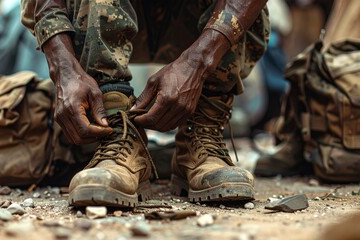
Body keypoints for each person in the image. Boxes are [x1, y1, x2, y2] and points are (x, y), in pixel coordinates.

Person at [21, 0, 269, 207]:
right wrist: (62, 67)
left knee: (247, 7)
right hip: (102, 10)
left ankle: (200, 133)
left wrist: (198, 62)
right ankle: (116, 133)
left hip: (195, 18)